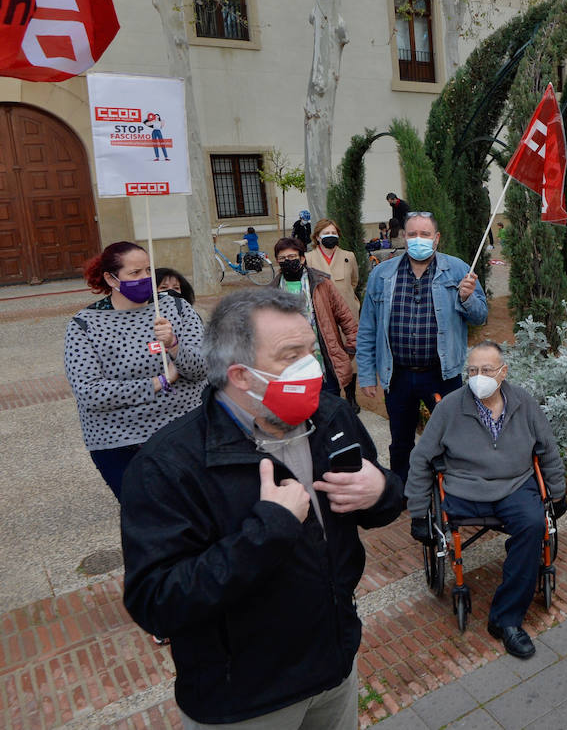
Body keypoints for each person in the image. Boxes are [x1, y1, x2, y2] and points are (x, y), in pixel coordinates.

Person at [120, 288, 405, 728]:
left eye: (310, 350)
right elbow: (157, 602)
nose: (312, 367)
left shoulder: (332, 417)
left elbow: (380, 508)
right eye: (292, 355)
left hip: (335, 668)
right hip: (244, 698)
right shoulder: (168, 466)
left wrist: (384, 488)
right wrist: (268, 530)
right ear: (240, 375)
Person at [406, 341, 567, 659]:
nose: (478, 376)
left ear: (503, 372)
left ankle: (506, 621)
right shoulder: (449, 407)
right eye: (473, 370)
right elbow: (421, 459)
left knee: (534, 523)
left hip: (515, 486)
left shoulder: (523, 402)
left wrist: (557, 492)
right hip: (465, 490)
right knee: (524, 532)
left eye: (486, 370)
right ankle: (520, 563)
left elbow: (547, 449)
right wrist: (417, 512)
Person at [64, 242, 207, 501]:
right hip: (121, 442)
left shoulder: (175, 308)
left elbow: (203, 368)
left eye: (148, 270)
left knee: (195, 512)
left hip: (185, 433)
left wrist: (174, 345)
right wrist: (159, 382)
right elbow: (90, 392)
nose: (145, 278)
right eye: (135, 273)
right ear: (111, 278)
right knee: (148, 516)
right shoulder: (84, 325)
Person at [357, 211, 487, 482]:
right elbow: (368, 329)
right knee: (401, 440)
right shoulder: (382, 274)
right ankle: (404, 490)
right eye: (413, 234)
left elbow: (480, 316)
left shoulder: (459, 270)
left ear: (436, 238)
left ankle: (453, 487)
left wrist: (467, 298)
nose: (418, 239)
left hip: (442, 373)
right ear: (404, 237)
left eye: (425, 234)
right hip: (399, 374)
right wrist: (367, 375)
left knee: (452, 436)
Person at [273, 237, 358, 398]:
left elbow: (345, 316)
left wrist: (351, 346)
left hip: (324, 361)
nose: (287, 261)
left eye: (291, 257)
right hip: (290, 366)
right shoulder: (272, 291)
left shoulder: (322, 283)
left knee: (329, 409)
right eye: (282, 258)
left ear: (302, 258)